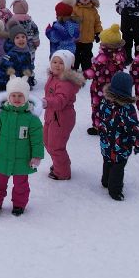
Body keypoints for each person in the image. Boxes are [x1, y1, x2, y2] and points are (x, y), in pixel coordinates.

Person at [0, 77, 44, 217]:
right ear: (8, 96)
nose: (17, 98)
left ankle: (19, 205)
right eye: (13, 95)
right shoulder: (0, 116)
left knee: (21, 185)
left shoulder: (31, 119)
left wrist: (37, 156)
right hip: (1, 157)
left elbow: (37, 140)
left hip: (22, 159)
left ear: (26, 97)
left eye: (20, 95)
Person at [97, 72, 139, 201]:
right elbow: (134, 129)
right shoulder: (127, 109)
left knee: (107, 161)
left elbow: (99, 116)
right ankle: (115, 190)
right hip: (121, 146)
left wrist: (101, 129)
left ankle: (106, 181)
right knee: (118, 166)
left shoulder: (105, 102)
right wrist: (138, 144)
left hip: (106, 143)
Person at [41, 50, 83, 181]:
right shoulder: (53, 76)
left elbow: (60, 101)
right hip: (51, 115)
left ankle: (62, 172)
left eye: (61, 63)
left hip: (62, 118)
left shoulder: (66, 82)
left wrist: (47, 102)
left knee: (56, 146)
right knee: (47, 142)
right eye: (54, 62)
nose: (57, 65)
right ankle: (60, 164)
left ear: (68, 65)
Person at [83, 26, 127, 135]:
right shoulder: (120, 54)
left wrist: (83, 76)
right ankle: (113, 124)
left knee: (98, 105)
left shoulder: (103, 57)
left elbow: (93, 70)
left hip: (100, 87)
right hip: (114, 87)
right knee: (113, 106)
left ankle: (98, 126)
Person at [70, 0, 101, 71]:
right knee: (75, 54)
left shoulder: (93, 10)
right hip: (76, 39)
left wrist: (98, 32)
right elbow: (70, 21)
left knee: (87, 54)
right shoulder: (74, 8)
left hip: (88, 38)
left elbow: (97, 22)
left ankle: (86, 68)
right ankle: (74, 67)